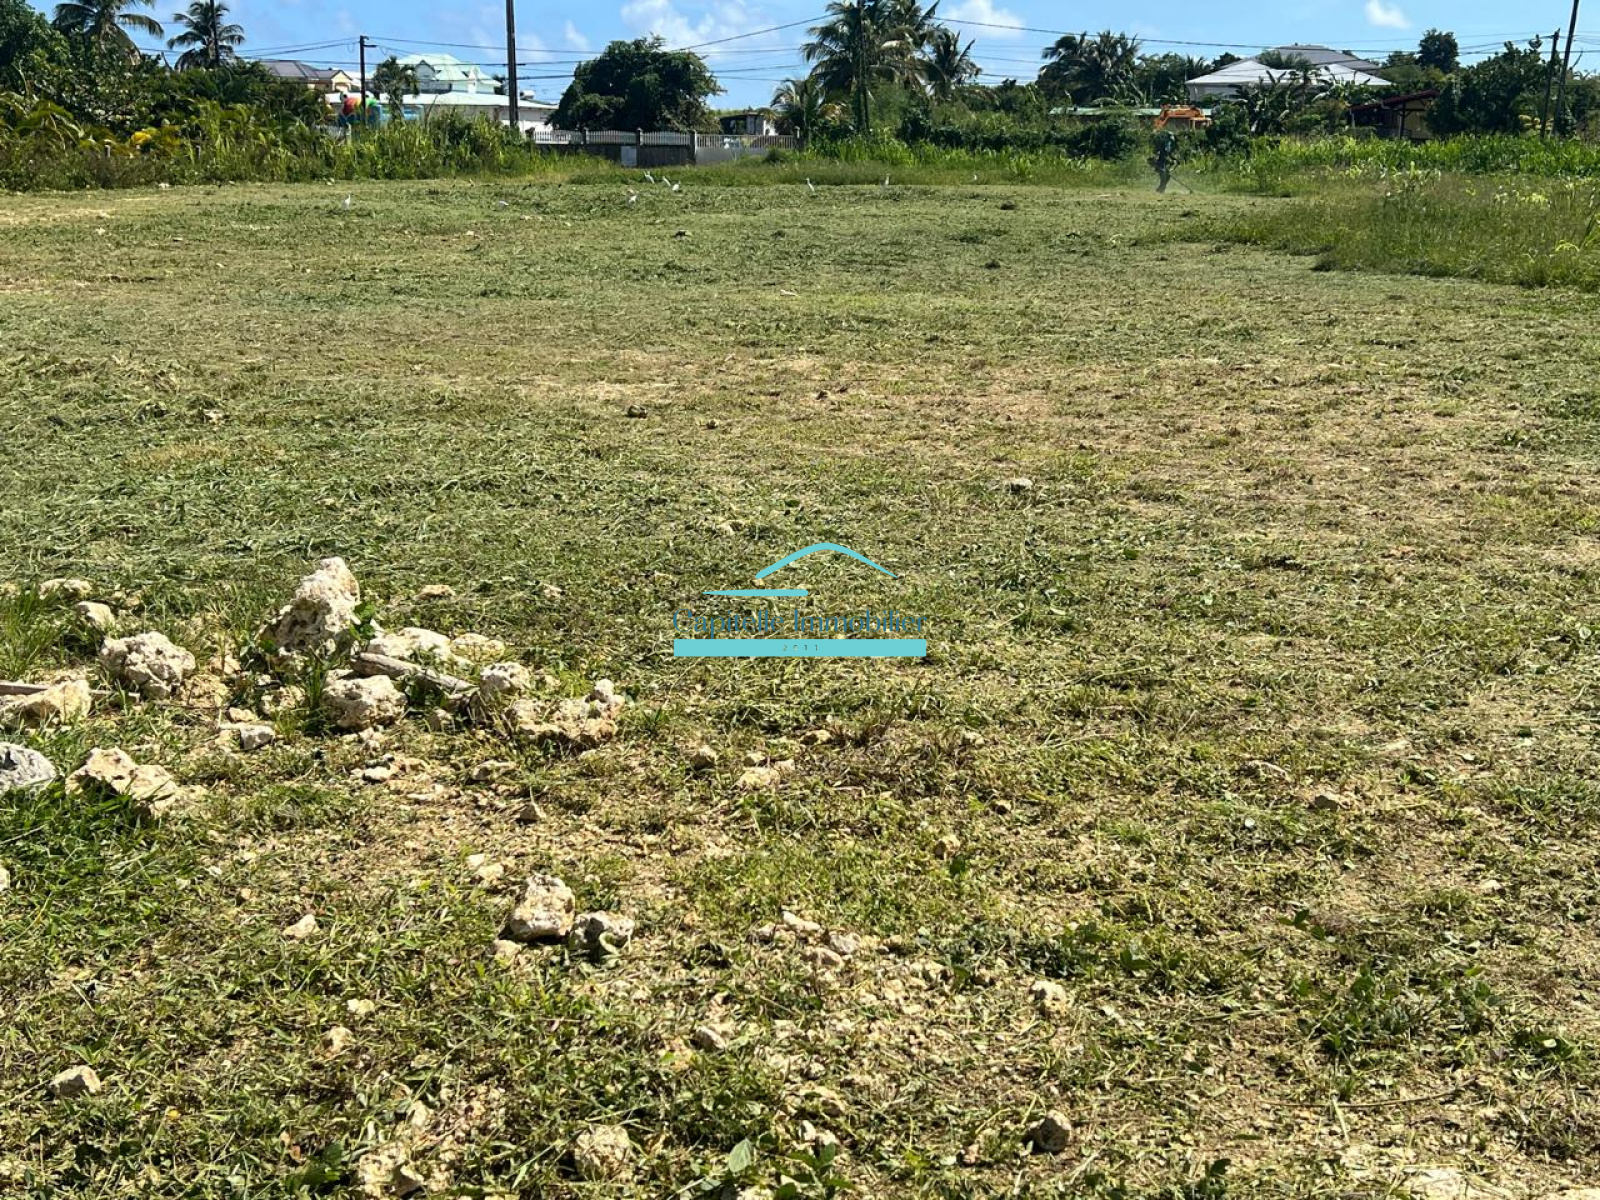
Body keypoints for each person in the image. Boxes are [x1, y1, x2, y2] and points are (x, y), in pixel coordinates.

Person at [1150, 129, 1178, 193]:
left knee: (1168, 176)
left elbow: (1169, 154)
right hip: (1160, 163)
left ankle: (1160, 189)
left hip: (1164, 163)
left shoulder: (1169, 144)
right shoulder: (1165, 143)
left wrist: (1175, 159)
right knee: (1163, 177)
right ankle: (1161, 189)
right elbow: (1163, 155)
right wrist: (1170, 161)